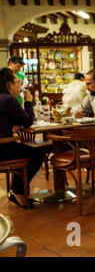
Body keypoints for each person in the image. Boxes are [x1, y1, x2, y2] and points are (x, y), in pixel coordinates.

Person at [0, 67, 44, 208]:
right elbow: (27, 121)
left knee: (27, 151)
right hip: (3, 148)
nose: (20, 84)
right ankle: (18, 191)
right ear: (9, 84)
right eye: (18, 81)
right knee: (37, 153)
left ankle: (17, 190)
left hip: (3, 145)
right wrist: (28, 102)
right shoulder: (7, 100)